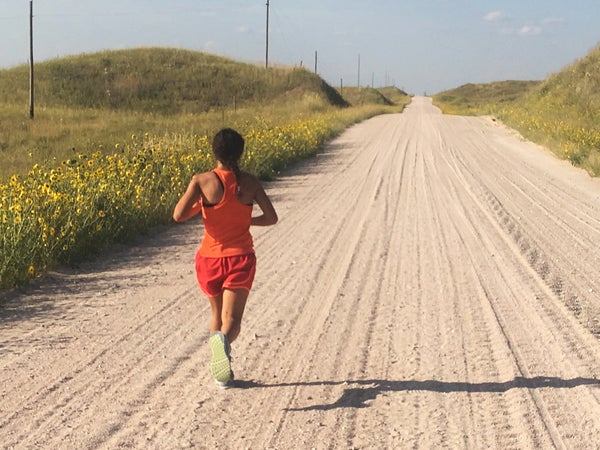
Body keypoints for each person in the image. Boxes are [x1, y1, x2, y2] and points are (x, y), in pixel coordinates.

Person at [173, 128, 278, 388]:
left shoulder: (202, 181)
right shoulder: (251, 183)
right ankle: (224, 344)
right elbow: (271, 218)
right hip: (239, 257)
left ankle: (222, 371)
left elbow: (178, 215)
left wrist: (203, 206)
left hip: (209, 259)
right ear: (241, 152)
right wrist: (245, 220)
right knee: (232, 322)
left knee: (217, 315)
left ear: (214, 152)